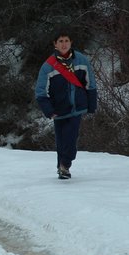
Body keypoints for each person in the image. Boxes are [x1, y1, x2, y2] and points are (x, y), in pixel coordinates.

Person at [34, 32, 97, 179]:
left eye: (66, 40)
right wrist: (49, 111)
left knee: (71, 138)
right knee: (61, 141)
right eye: (60, 41)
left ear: (71, 42)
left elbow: (90, 83)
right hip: (58, 110)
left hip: (76, 109)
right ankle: (62, 168)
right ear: (55, 44)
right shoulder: (48, 66)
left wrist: (91, 105)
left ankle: (65, 164)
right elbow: (40, 91)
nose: (64, 44)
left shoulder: (81, 59)